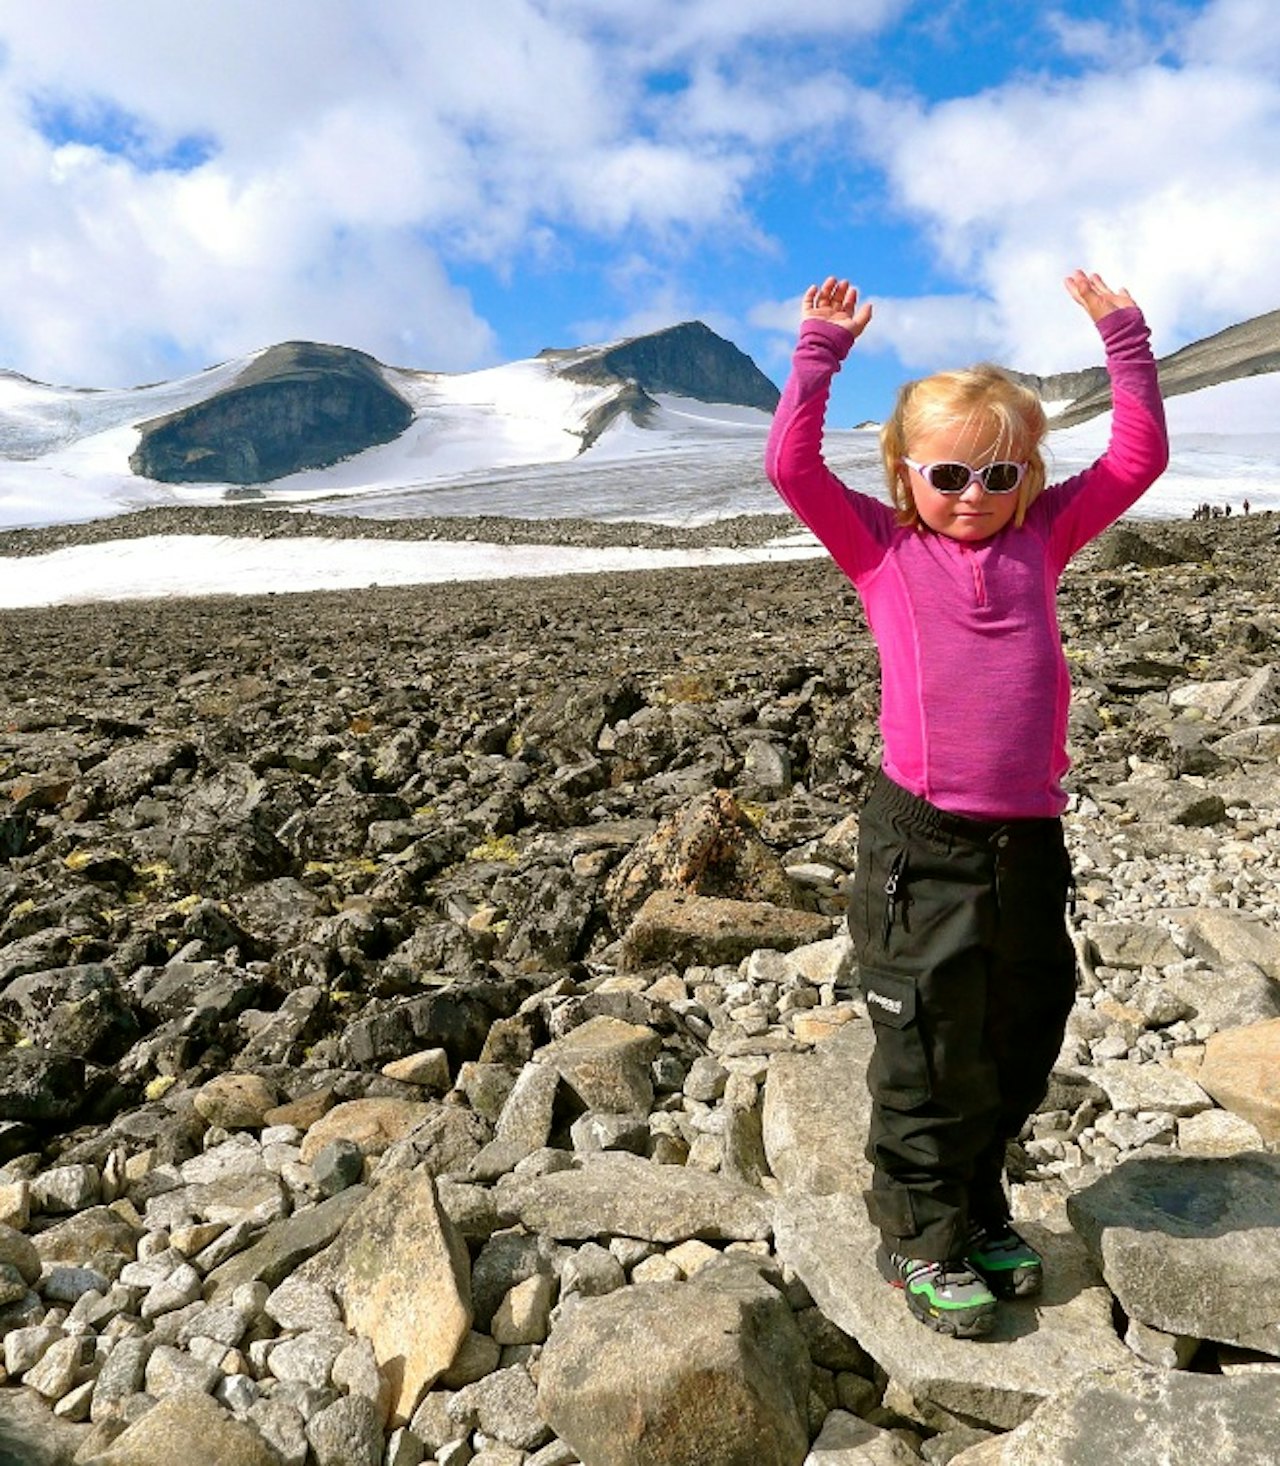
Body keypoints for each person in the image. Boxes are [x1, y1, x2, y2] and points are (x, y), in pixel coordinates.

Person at [764, 270, 1168, 1338]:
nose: (974, 493)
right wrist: (819, 352)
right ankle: (915, 1231)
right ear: (905, 476)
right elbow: (788, 464)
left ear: (1028, 474)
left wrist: (1121, 340)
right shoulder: (883, 549)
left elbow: (1136, 458)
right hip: (921, 846)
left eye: (1000, 472)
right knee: (928, 1044)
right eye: (948, 472)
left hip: (1026, 840)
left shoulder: (1042, 540)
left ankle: (979, 1203)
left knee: (1019, 1029)